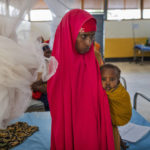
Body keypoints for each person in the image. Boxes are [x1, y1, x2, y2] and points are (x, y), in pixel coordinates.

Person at [47, 9, 115, 150]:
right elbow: (58, 106)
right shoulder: (57, 65)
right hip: (71, 125)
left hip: (91, 123)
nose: (89, 42)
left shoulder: (94, 58)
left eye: (92, 36)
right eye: (84, 36)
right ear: (69, 34)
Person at [100, 64, 132, 150]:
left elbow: (124, 109)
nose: (107, 82)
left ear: (118, 81)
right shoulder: (97, 91)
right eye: (103, 79)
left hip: (113, 126)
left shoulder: (120, 94)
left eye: (112, 79)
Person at [31, 43, 52, 111]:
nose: (47, 50)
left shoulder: (53, 61)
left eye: (47, 48)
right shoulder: (38, 63)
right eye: (44, 49)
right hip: (43, 92)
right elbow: (35, 82)